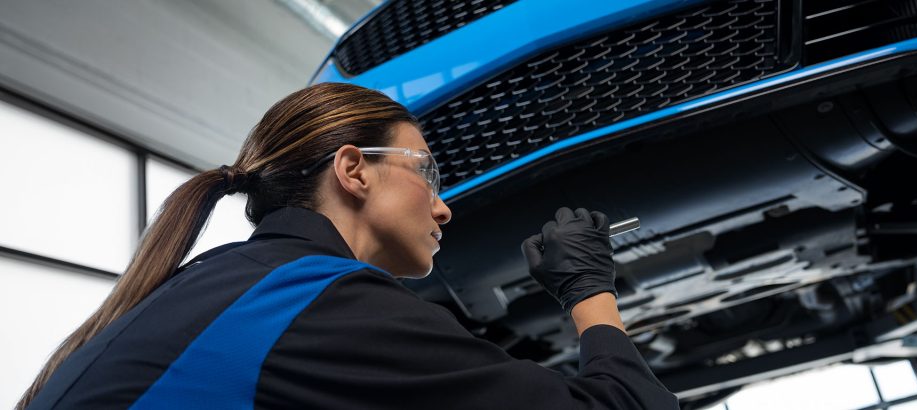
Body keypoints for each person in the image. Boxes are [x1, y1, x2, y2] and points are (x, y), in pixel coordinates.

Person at [18, 83, 677, 409]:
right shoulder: (313, 301)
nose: (444, 205)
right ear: (354, 169)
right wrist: (588, 290)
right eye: (428, 171)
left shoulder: (226, 285)